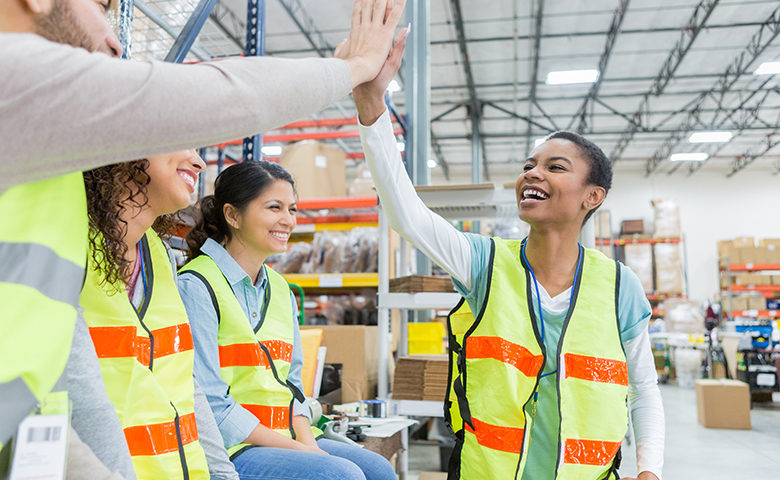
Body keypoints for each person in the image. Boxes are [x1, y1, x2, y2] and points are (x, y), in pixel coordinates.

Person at [0, 0, 405, 476]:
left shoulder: (102, 224)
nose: (113, 38)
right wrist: (351, 68)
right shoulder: (16, 82)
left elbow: (77, 395)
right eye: (99, 5)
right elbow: (219, 96)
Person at [351, 37, 664, 480]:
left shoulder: (619, 286)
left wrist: (650, 469)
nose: (532, 173)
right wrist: (371, 102)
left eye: (555, 167)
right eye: (529, 165)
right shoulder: (484, 264)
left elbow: (644, 387)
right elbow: (407, 214)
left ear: (592, 197)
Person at [177, 161, 396, 480]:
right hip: (233, 446)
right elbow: (210, 403)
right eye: (274, 207)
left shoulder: (280, 289)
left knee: (378, 469)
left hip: (286, 435)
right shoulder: (196, 286)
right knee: (340, 476)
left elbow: (293, 384)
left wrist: (309, 443)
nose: (288, 220)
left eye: (292, 209)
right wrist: (305, 454)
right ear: (233, 215)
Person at [79, 150, 240, 480]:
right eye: (183, 143)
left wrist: (223, 475)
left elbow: (185, 382)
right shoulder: (69, 246)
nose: (199, 162)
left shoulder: (159, 254)